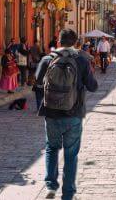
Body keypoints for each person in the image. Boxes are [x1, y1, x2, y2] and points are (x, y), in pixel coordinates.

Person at [34, 29, 98, 200]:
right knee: (71, 154)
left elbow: (38, 81)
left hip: (51, 112)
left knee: (51, 148)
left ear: (59, 41)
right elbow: (93, 86)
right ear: (76, 42)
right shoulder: (82, 60)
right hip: (74, 113)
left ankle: (51, 187)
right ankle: (68, 193)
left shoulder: (48, 58)